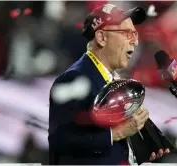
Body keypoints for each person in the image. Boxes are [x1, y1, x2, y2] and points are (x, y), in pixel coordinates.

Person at [48, 4, 169, 165]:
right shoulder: (74, 79)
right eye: (126, 33)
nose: (134, 41)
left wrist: (139, 151)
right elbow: (60, 141)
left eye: (134, 33)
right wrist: (116, 133)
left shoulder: (113, 80)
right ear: (102, 38)